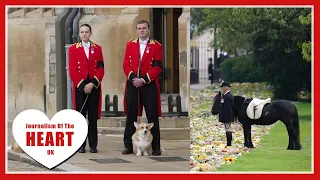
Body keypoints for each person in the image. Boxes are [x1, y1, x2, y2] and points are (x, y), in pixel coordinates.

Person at [122, 20, 162, 156]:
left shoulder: (156, 46)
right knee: (131, 115)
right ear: (136, 30)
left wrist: (143, 79)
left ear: (148, 29)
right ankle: (128, 146)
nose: (142, 30)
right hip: (133, 83)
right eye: (139, 28)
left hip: (149, 84)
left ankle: (156, 147)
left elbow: (157, 67)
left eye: (144, 28)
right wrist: (134, 78)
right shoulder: (130, 44)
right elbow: (125, 64)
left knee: (152, 116)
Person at [68, 24, 105, 153]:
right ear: (79, 34)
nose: (84, 34)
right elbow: (72, 70)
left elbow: (101, 68)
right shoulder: (73, 49)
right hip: (80, 87)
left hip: (93, 86)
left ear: (90, 33)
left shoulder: (98, 48)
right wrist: (83, 85)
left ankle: (93, 145)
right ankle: (81, 145)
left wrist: (93, 83)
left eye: (87, 32)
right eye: (82, 32)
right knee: (81, 117)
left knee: (93, 117)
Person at [219, 81, 234, 146]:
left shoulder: (228, 96)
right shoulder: (225, 96)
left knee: (228, 129)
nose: (222, 89)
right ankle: (228, 142)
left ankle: (229, 143)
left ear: (226, 88)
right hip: (226, 115)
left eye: (223, 88)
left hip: (227, 115)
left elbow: (227, 108)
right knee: (227, 128)